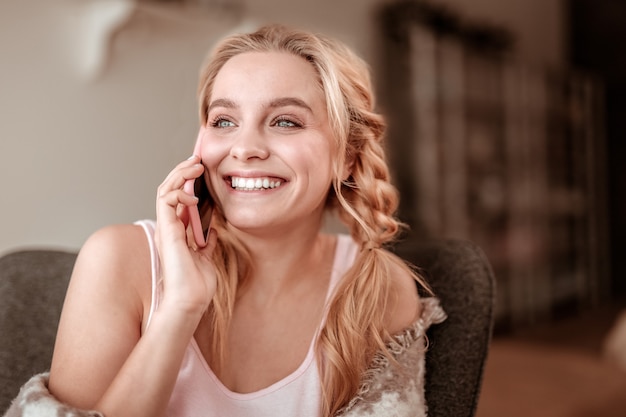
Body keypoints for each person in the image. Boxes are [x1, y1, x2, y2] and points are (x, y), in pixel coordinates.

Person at [4, 24, 445, 417]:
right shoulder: (120, 259)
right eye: (224, 120)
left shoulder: (379, 290)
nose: (244, 147)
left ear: (348, 156)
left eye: (286, 121)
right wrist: (180, 308)